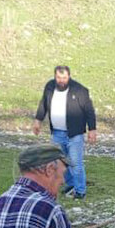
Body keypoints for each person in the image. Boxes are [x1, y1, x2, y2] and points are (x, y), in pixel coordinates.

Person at [33, 65, 98, 199]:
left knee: (75, 162)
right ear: (55, 76)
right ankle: (70, 184)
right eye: (59, 77)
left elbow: (89, 111)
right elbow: (43, 104)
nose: (61, 80)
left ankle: (80, 191)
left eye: (64, 77)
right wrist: (38, 120)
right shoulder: (50, 87)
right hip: (57, 133)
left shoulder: (79, 90)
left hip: (74, 134)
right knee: (59, 161)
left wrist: (92, 129)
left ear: (69, 76)